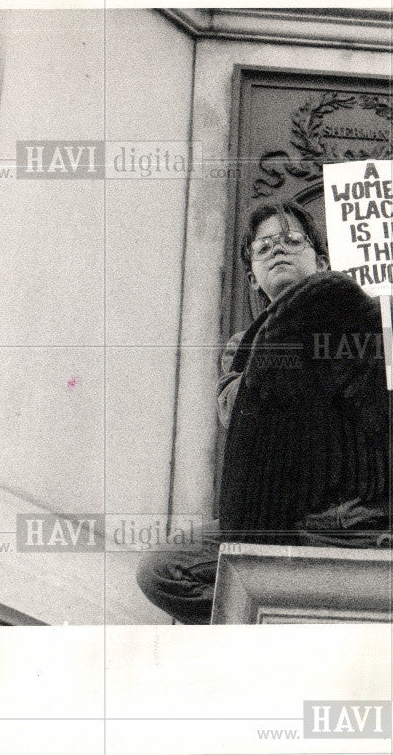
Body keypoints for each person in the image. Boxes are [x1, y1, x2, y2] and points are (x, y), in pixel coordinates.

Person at [137, 200, 330, 624]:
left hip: (351, 512)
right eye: (263, 248)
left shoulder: (367, 325)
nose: (277, 250)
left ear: (322, 261)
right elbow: (242, 414)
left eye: (292, 241)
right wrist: (288, 325)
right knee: (162, 571)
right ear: (253, 280)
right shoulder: (241, 348)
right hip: (275, 516)